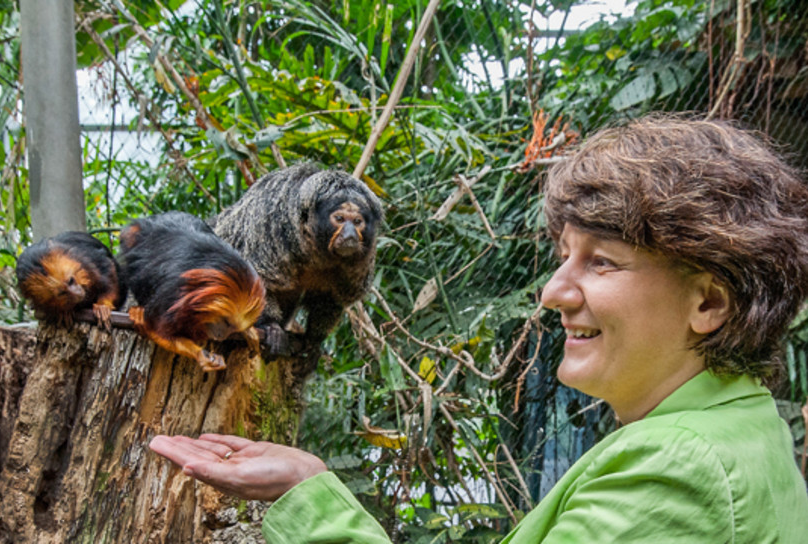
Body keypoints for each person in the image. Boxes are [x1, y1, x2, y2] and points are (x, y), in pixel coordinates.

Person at [150, 115, 808, 543]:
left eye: (601, 262)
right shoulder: (745, 428)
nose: (552, 293)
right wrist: (308, 487)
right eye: (562, 259)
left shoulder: (677, 471)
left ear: (710, 305)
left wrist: (314, 505)